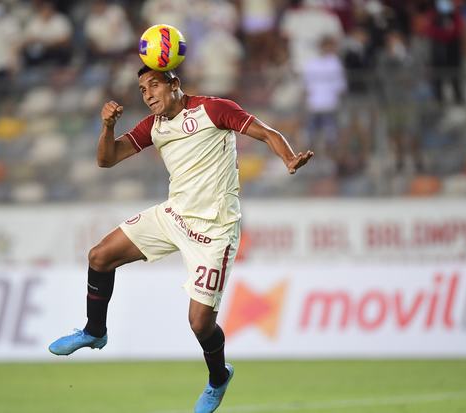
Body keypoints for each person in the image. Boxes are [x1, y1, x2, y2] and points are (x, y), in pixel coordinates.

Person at [48, 66, 313, 413]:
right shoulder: (153, 126)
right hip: (174, 216)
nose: (147, 94)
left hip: (215, 230)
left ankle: (218, 377)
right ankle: (94, 331)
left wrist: (289, 158)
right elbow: (106, 160)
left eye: (153, 85)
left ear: (174, 84)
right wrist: (108, 126)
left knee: (200, 323)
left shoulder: (214, 109)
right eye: (142, 89)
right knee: (99, 256)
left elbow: (266, 132)